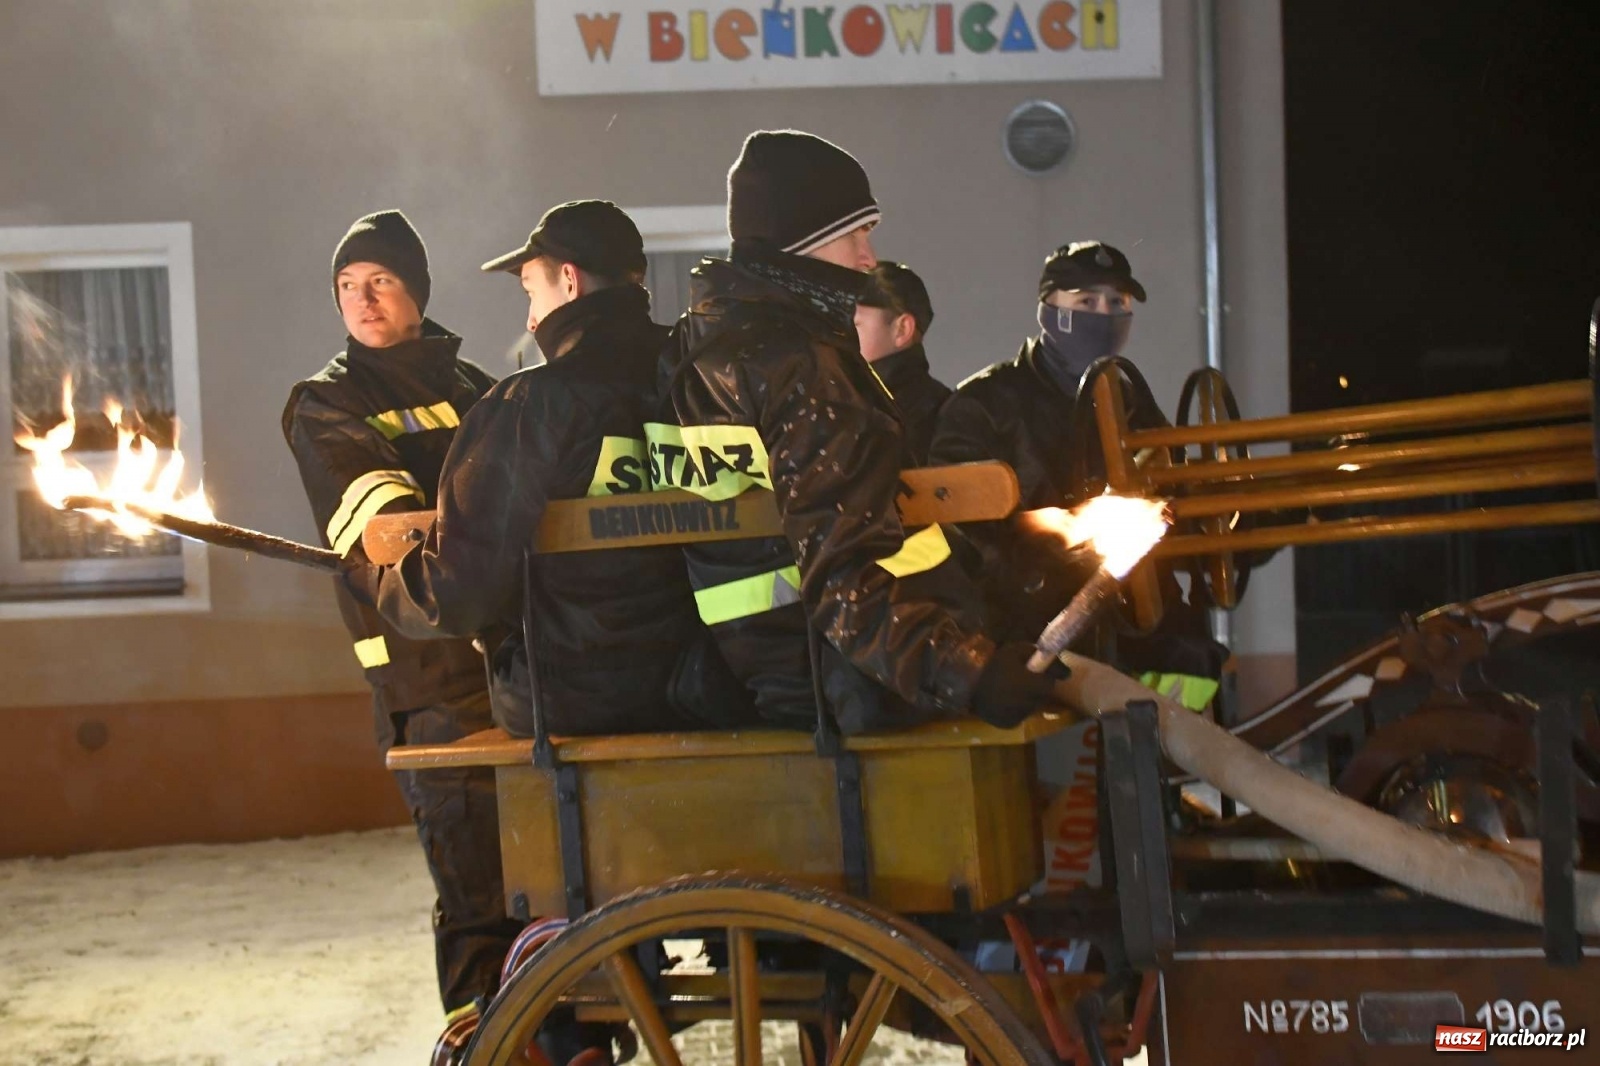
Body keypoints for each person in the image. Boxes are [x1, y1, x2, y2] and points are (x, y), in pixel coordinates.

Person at [655, 129, 1061, 736]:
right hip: (849, 687)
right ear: (804, 243)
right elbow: (843, 580)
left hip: (767, 672)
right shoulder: (804, 369)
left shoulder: (695, 352)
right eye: (856, 234)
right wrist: (970, 671)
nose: (869, 259)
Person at [360, 199, 749, 743]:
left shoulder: (530, 406)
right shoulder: (708, 378)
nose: (529, 320)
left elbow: (456, 592)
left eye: (530, 293)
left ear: (568, 281)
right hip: (720, 682)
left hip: (577, 697)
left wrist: (381, 583)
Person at [281, 210, 519, 1045]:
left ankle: (569, 1034)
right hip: (427, 675)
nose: (362, 299)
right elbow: (380, 530)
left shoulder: (476, 389)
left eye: (379, 280)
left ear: (415, 289)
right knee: (474, 877)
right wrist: (486, 536)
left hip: (517, 662)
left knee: (548, 863)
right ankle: (485, 1039)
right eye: (347, 285)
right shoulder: (326, 403)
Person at [929, 240, 1225, 707]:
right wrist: (1042, 535)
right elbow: (955, 525)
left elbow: (1173, 498)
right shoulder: (986, 403)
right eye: (1086, 302)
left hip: (1143, 633)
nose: (1103, 315)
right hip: (1034, 641)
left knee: (1176, 718)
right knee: (1066, 777)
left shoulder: (1132, 404)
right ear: (1048, 310)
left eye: (1117, 303)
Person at [853, 262, 950, 462]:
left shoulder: (933, 417)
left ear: (902, 329)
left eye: (854, 324)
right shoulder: (946, 409)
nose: (838, 334)